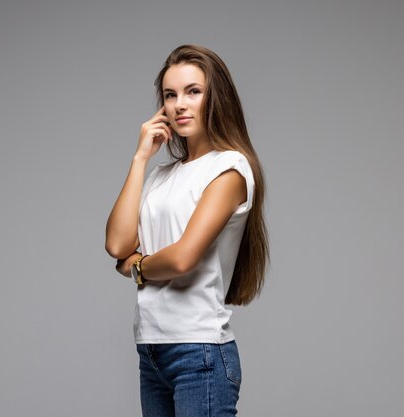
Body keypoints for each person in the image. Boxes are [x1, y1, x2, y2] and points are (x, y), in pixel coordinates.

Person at [105, 44, 270, 417]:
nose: (179, 104)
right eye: (170, 94)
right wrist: (140, 158)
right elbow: (117, 243)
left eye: (193, 91)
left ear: (217, 96)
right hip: (151, 349)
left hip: (200, 354)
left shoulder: (229, 168)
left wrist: (136, 267)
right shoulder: (162, 175)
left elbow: (182, 259)